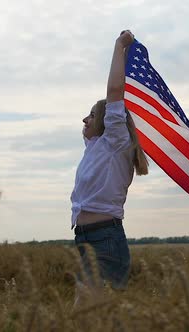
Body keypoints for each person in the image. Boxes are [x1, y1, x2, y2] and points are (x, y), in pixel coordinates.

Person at [71, 30, 148, 299]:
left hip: (105, 241)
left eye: (91, 115)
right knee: (88, 318)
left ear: (106, 120)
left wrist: (120, 47)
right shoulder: (95, 148)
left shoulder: (115, 142)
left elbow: (115, 92)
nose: (84, 119)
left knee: (90, 317)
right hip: (86, 240)